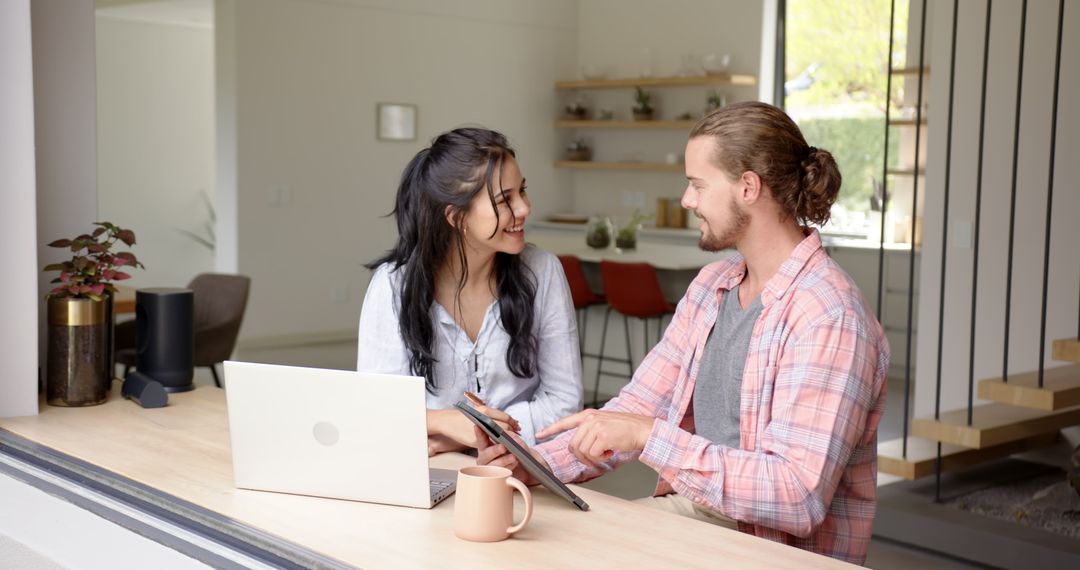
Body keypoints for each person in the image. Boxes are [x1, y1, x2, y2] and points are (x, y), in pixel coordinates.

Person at [477, 102, 889, 565]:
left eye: (697, 185)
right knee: (544, 543)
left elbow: (796, 496)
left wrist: (651, 436)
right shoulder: (713, 286)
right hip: (704, 514)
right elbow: (639, 406)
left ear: (748, 187)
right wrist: (535, 464)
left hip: (775, 548)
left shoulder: (828, 315)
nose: (687, 200)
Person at [357, 127, 583, 454]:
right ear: (456, 217)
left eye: (522, 191)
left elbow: (564, 403)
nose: (524, 209)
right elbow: (377, 408)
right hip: (425, 469)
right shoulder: (393, 285)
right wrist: (445, 422)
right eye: (505, 199)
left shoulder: (542, 271)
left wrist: (472, 430)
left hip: (521, 467)